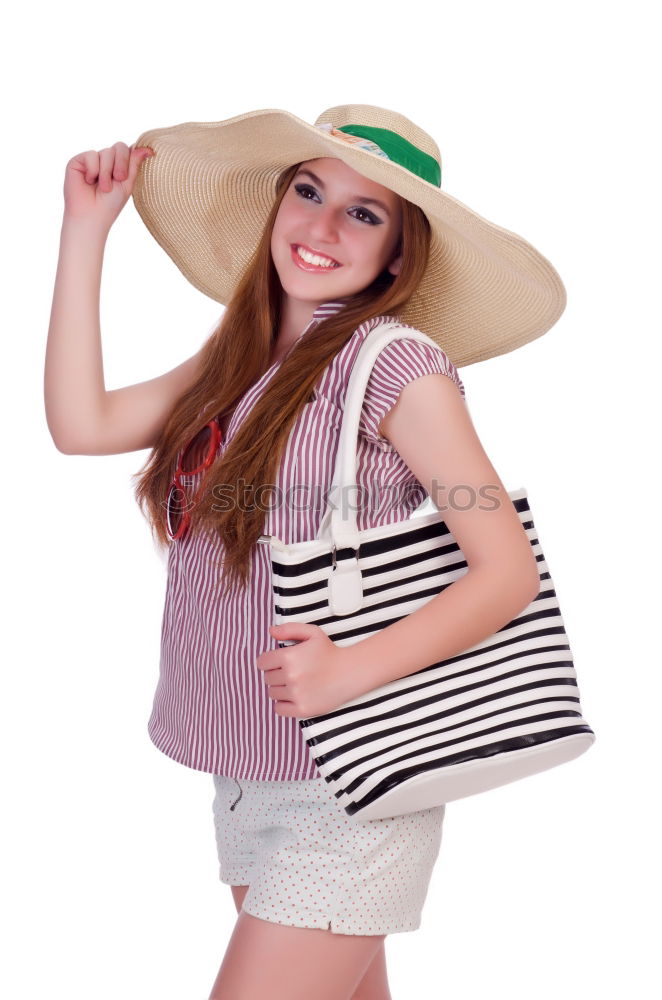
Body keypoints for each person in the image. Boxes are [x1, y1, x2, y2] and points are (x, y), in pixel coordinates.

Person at [44, 104, 565, 1000]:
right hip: (248, 769)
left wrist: (349, 670)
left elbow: (508, 569)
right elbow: (82, 425)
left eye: (363, 213)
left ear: (398, 254)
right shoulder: (236, 356)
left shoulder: (397, 367)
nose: (321, 226)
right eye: (309, 192)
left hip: (351, 779)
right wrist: (86, 232)